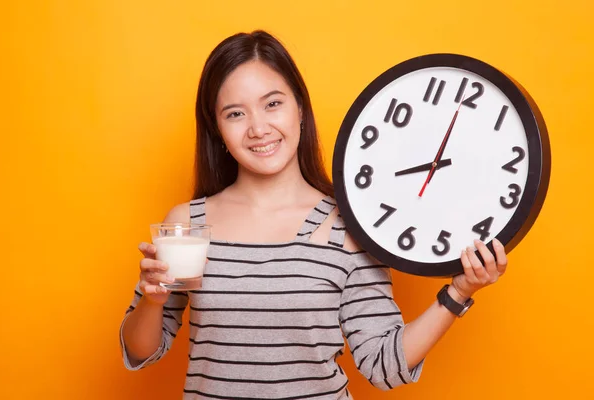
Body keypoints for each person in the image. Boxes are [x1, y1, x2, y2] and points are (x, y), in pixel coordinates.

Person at [120, 30, 508, 399]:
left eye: (273, 104)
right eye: (235, 114)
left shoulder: (349, 224)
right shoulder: (189, 222)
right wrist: (151, 301)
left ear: (300, 109)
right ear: (216, 128)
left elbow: (382, 366)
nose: (258, 128)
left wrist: (459, 292)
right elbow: (140, 352)